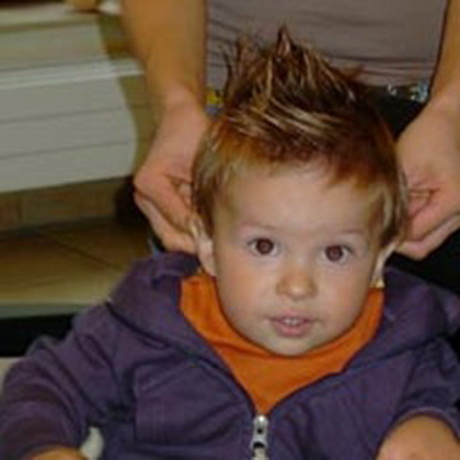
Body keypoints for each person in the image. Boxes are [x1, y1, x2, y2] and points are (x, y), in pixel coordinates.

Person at [1, 29, 460, 460]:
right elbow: (40, 390)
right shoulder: (141, 327)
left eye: (335, 253)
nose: (297, 286)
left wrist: (430, 427)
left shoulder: (408, 351)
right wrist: (45, 449)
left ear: (380, 258)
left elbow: (436, 404)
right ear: (205, 242)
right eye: (264, 246)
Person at [120, 0, 460, 295]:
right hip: (230, 111)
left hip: (433, 118)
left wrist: (449, 111)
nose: (297, 289)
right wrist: (177, 106)